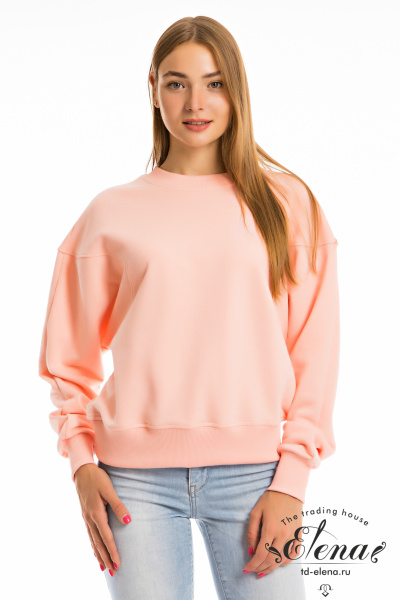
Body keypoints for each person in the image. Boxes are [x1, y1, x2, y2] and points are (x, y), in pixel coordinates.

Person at [38, 15, 340, 600]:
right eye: (177, 83)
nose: (195, 103)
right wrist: (81, 464)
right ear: (153, 88)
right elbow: (65, 360)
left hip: (259, 478)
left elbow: (315, 353)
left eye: (214, 83)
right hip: (133, 484)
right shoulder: (110, 213)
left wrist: (293, 481)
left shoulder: (288, 204)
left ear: (237, 90)